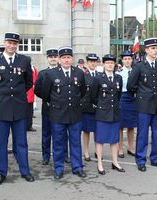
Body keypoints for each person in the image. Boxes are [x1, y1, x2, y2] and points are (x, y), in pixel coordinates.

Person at [0, 32, 34, 185]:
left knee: (21, 142)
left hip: (19, 108)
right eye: (9, 42)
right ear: (4, 43)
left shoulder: (25, 60)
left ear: (17, 45)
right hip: (1, 108)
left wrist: (17, 97)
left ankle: (25, 171)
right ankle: (0, 172)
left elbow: (28, 83)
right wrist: (2, 97)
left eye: (15, 43)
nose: (12, 46)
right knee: (1, 142)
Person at [41, 46, 86, 180]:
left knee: (75, 142)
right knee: (58, 143)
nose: (66, 60)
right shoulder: (51, 74)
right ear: (59, 59)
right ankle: (59, 168)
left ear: (72, 59)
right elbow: (45, 94)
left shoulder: (79, 73)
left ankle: (77, 167)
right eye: (64, 57)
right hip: (57, 114)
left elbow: (82, 92)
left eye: (68, 57)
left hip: (75, 114)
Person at [127, 38, 157, 172]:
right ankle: (141, 159)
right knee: (143, 134)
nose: (155, 50)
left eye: (156, 48)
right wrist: (142, 94)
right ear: (146, 50)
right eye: (152, 48)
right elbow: (130, 86)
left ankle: (156, 159)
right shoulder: (138, 66)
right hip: (144, 106)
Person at [91, 54, 125, 175]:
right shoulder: (98, 78)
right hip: (102, 112)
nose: (110, 65)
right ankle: (99, 163)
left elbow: (118, 95)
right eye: (107, 63)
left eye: (112, 63)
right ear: (103, 64)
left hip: (114, 112)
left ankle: (115, 162)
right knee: (100, 139)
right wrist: (102, 105)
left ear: (114, 65)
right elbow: (93, 97)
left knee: (114, 139)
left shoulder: (118, 78)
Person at [34, 48, 59, 165]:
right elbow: (37, 89)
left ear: (58, 58)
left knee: (61, 134)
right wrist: (47, 98)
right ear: (47, 58)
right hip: (47, 107)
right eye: (51, 57)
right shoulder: (43, 73)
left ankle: (63, 154)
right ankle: (46, 155)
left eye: (55, 56)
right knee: (46, 133)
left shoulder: (62, 71)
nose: (53, 59)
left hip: (61, 108)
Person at [116, 50, 137, 158]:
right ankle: (120, 149)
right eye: (125, 59)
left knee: (131, 125)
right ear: (122, 60)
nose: (127, 61)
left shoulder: (135, 71)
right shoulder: (118, 73)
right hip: (123, 98)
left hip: (133, 98)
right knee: (121, 125)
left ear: (132, 60)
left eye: (129, 59)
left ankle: (130, 147)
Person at [81, 53, 99, 161]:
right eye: (91, 61)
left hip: (97, 107)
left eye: (94, 61)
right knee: (86, 130)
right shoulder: (83, 75)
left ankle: (97, 150)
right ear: (87, 62)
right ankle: (86, 151)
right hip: (86, 106)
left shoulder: (100, 75)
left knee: (98, 130)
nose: (93, 63)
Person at [27, 65, 38, 132]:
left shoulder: (33, 68)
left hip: (30, 92)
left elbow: (36, 78)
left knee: (30, 112)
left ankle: (29, 125)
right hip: (24, 93)